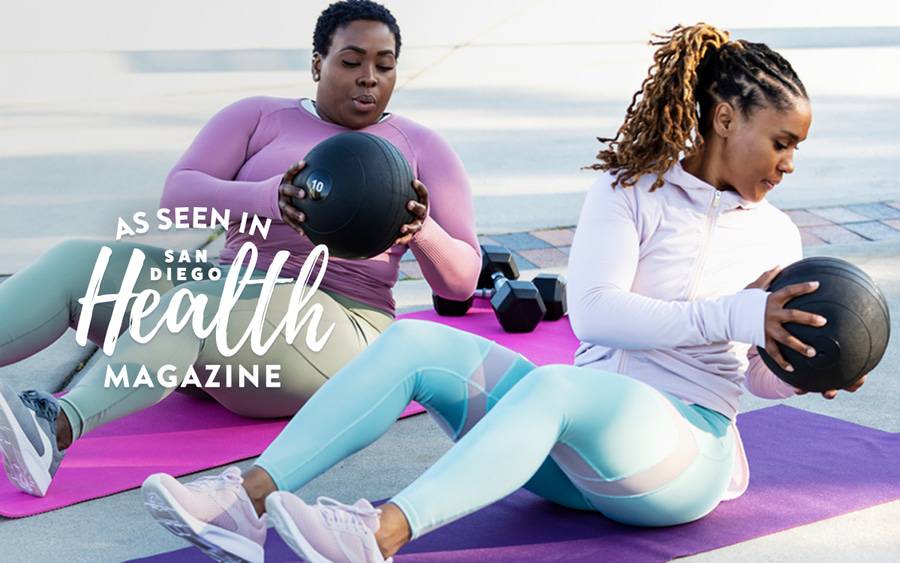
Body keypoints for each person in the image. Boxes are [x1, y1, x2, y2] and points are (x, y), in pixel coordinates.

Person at [140, 23, 867, 563]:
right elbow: (597, 310)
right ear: (724, 119)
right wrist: (741, 308)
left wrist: (801, 368)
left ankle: (378, 533)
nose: (790, 162)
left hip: (680, 458)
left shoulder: (776, 237)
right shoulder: (629, 194)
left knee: (556, 388)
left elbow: (755, 375)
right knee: (417, 340)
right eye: (782, 141)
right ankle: (245, 499)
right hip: (566, 452)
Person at [0, 0, 480, 499]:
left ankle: (53, 429)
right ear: (318, 63)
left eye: (384, 65)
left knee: (198, 306)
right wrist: (266, 198)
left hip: (336, 327)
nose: (368, 78)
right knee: (77, 263)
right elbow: (178, 197)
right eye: (351, 61)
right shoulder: (259, 117)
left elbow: (462, 279)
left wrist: (421, 230)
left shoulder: (422, 147)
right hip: (227, 296)